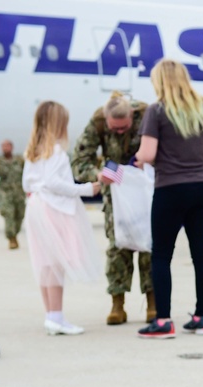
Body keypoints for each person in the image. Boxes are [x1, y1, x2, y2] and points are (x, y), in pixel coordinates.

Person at [135, 59, 203, 339]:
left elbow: (148, 154)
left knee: (162, 254)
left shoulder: (156, 111)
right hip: (201, 188)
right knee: (201, 254)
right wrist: (195, 159)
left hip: (170, 189)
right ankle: (202, 318)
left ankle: (163, 321)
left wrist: (139, 159)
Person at [71, 91, 154, 326]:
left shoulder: (147, 115)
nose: (119, 131)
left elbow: (167, 148)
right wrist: (96, 175)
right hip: (116, 193)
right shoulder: (97, 122)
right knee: (118, 246)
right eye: (114, 128)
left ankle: (153, 303)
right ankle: (118, 304)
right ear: (106, 120)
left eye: (124, 127)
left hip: (145, 190)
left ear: (131, 116)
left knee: (150, 245)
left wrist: (149, 162)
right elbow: (79, 160)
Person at [21, 102, 103, 335]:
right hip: (53, 209)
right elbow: (53, 183)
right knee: (57, 263)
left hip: (36, 206)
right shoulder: (56, 152)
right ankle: (56, 317)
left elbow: (27, 183)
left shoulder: (33, 151)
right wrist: (86, 189)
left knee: (46, 263)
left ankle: (52, 315)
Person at [0, 140, 26, 249]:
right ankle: (11, 238)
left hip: (20, 194)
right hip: (5, 194)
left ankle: (15, 233)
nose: (5, 148)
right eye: (3, 146)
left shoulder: (20, 161)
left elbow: (29, 175)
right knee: (9, 215)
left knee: (20, 216)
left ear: (12, 147)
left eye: (7, 146)